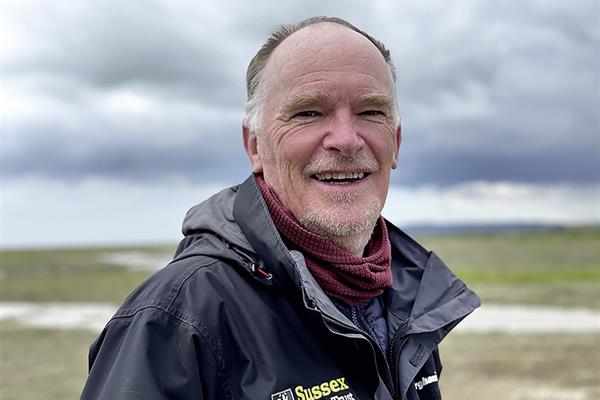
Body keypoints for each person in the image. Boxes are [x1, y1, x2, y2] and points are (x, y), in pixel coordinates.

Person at [81, 16, 480, 400]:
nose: (346, 139)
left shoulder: (406, 299)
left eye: (370, 111)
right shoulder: (175, 320)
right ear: (254, 146)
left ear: (396, 141)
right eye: (308, 113)